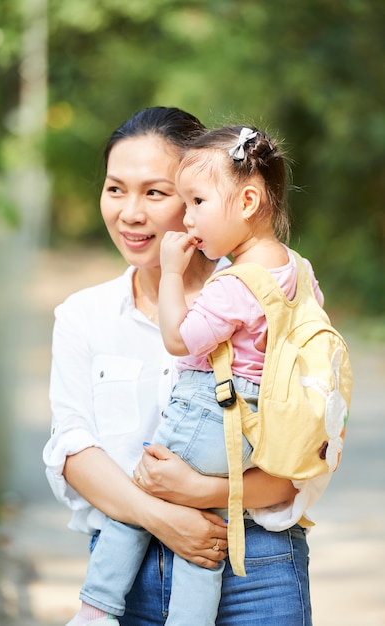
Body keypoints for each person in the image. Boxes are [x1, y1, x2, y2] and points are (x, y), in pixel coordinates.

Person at [43, 107, 331, 626]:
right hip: (126, 582)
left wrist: (205, 494)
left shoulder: (272, 296)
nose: (130, 212)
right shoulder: (84, 316)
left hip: (255, 571)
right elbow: (72, 450)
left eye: (156, 192)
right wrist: (166, 517)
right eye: (115, 189)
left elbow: (301, 461)